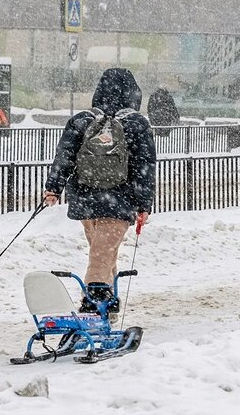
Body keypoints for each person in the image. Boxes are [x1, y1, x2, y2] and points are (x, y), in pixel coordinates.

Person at [43, 67, 156, 313]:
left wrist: (53, 187)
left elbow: (65, 155)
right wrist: (144, 204)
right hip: (119, 199)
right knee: (101, 255)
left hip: (85, 199)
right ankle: (93, 304)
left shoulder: (83, 119)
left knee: (103, 251)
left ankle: (109, 303)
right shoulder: (136, 123)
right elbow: (144, 166)